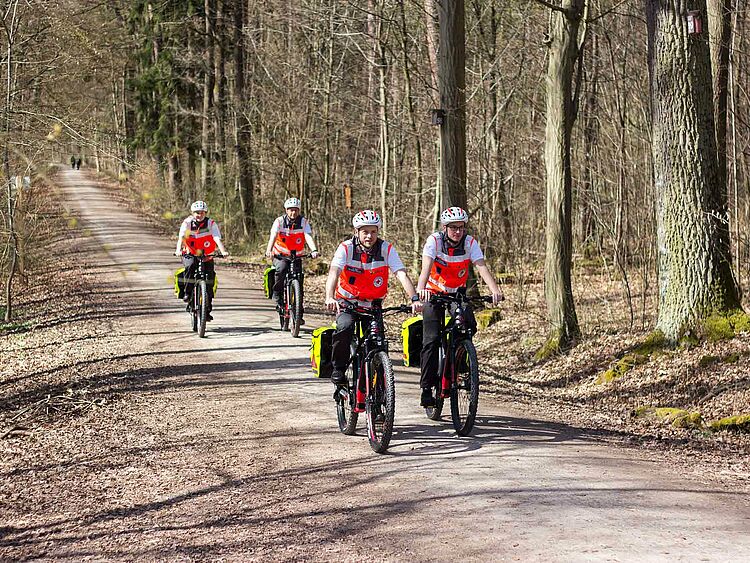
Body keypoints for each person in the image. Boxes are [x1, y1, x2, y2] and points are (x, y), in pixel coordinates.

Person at [415, 206, 504, 407]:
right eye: (453, 227)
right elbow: (425, 268)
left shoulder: (469, 243)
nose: (457, 231)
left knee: (468, 325)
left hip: (456, 294)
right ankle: (427, 388)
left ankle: (458, 359)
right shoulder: (434, 241)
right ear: (445, 228)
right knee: (431, 339)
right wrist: (420, 291)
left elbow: (481, 266)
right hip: (433, 294)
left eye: (461, 227)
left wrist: (495, 290)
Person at [325, 210, 423, 385]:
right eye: (365, 232)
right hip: (347, 303)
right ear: (356, 232)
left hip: (373, 305)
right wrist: (329, 297)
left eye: (373, 231)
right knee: (344, 327)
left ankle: (378, 389)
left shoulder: (386, 249)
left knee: (377, 343)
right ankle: (338, 368)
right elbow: (334, 273)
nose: (369, 236)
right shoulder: (346, 248)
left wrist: (414, 298)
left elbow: (401, 274)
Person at [264, 197, 319, 322]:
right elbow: (273, 236)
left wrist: (314, 250)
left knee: (299, 281)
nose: (293, 212)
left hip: (296, 256)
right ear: (286, 210)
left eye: (295, 210)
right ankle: (277, 293)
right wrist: (269, 250)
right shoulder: (279, 221)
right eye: (290, 210)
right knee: (281, 269)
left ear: (299, 210)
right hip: (280, 255)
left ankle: (298, 313)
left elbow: (308, 236)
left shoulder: (303, 222)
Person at [175, 200, 229, 322]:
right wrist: (178, 250)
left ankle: (206, 311)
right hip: (190, 253)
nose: (200, 215)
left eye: (202, 212)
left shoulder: (211, 223)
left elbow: (217, 238)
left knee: (209, 281)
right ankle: (188, 293)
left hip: (206, 255)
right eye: (197, 212)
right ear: (192, 213)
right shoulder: (187, 223)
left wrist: (223, 251)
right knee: (190, 267)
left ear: (206, 213)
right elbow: (181, 238)